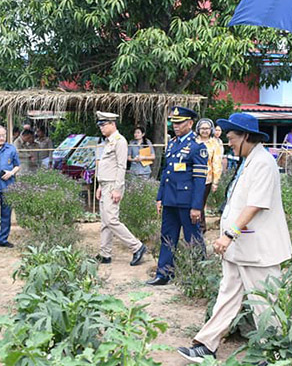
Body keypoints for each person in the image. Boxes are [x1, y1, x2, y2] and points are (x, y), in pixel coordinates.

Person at [177, 113, 292, 362]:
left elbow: (255, 205)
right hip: (240, 247)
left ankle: (274, 353)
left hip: (257, 248)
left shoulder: (263, 162)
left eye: (231, 138)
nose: (228, 143)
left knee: (265, 301)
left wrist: (229, 234)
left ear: (246, 137)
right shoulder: (249, 160)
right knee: (227, 296)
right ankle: (206, 345)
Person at [147, 106, 208, 286]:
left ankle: (198, 274)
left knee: (193, 239)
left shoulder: (197, 147)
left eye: (180, 123)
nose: (176, 126)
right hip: (170, 200)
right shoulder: (172, 144)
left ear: (190, 123)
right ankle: (164, 273)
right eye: (174, 123)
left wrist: (197, 207)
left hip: (187, 202)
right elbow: (166, 174)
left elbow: (199, 180)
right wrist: (160, 197)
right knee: (167, 237)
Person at [94, 112, 147, 266]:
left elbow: (121, 166)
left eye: (104, 125)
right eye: (100, 125)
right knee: (105, 221)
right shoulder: (108, 141)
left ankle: (137, 246)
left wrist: (117, 188)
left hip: (113, 185)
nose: (101, 128)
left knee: (111, 219)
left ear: (112, 124)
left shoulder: (119, 141)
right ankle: (105, 253)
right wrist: (99, 186)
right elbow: (104, 165)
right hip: (105, 184)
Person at [195, 118, 225, 232]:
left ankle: (201, 228)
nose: (205, 131)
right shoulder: (193, 141)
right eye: (202, 128)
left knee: (200, 202)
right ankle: (194, 226)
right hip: (192, 177)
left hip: (206, 179)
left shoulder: (214, 144)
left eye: (207, 128)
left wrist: (215, 182)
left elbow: (216, 163)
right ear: (198, 129)